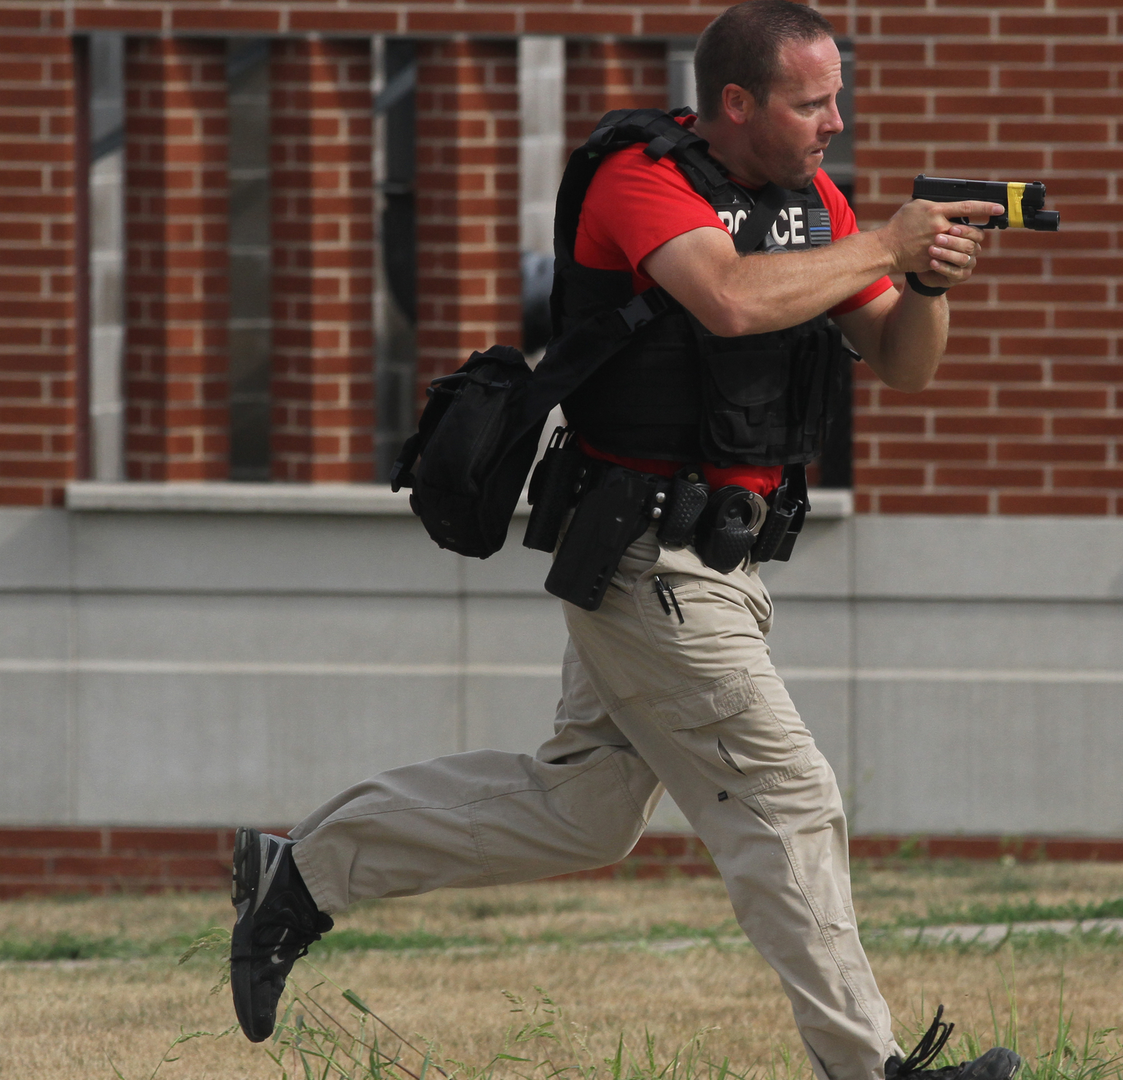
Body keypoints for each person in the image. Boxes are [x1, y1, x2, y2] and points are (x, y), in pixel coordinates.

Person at [228, 4, 1012, 1079]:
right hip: (649, 556)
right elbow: (727, 299)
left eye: (839, 96)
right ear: (738, 102)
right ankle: (869, 1067)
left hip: (723, 561)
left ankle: (302, 874)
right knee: (787, 800)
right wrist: (884, 238)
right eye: (812, 101)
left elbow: (902, 359)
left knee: (584, 812)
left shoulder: (813, 204)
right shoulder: (642, 178)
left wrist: (922, 281)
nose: (837, 121)